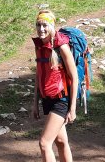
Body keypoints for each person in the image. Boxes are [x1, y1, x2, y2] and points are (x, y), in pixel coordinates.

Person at [30, 9, 78, 162]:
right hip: (47, 100)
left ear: (51, 26)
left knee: (44, 143)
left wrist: (72, 108)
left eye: (45, 25)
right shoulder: (39, 46)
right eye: (38, 25)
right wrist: (35, 103)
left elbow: (74, 77)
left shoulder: (61, 47)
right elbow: (38, 76)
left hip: (61, 100)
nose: (41, 29)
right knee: (61, 141)